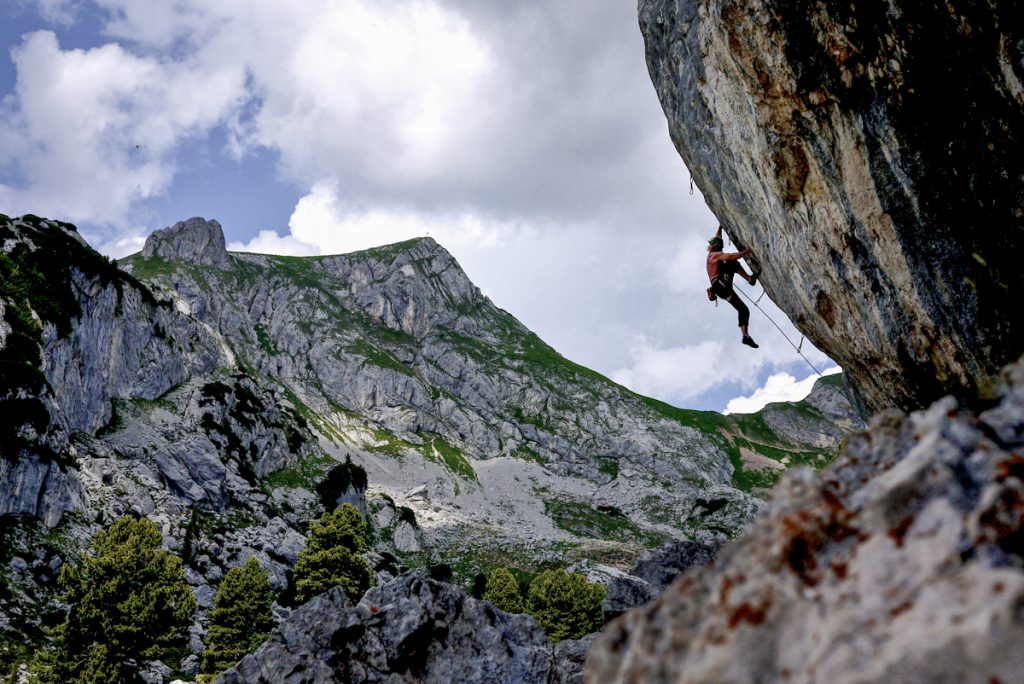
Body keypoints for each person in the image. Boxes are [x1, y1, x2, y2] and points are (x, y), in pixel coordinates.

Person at [706, 225, 758, 348]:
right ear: (717, 246)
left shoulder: (710, 255)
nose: (721, 248)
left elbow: (717, 238)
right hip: (720, 284)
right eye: (720, 246)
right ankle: (750, 279)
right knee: (732, 263)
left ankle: (745, 336)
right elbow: (731, 257)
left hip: (722, 290)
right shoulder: (715, 255)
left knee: (743, 310)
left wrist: (720, 227)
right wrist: (748, 251)